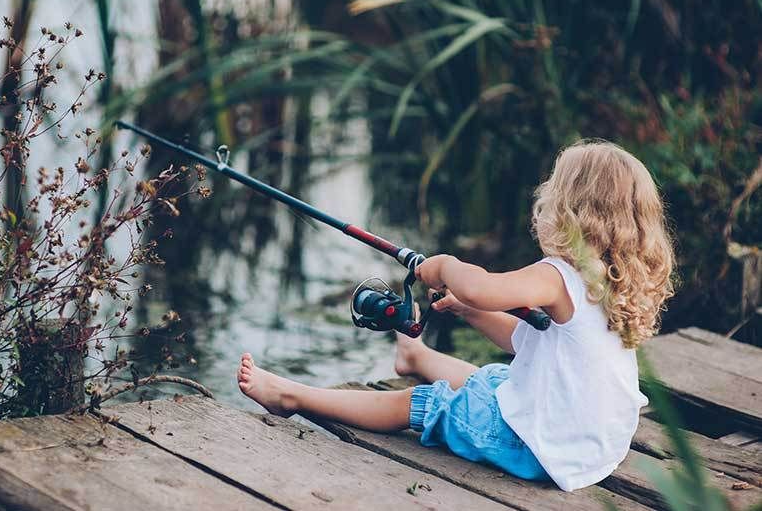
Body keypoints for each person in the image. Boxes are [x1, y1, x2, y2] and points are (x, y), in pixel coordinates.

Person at [236, 140, 675, 491]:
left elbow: (483, 287)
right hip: (592, 443)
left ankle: (291, 396)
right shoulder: (615, 281)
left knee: (425, 404)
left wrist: (446, 267)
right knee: (495, 382)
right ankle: (417, 358)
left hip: (543, 450)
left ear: (567, 209)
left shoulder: (559, 276)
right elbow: (528, 342)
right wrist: (471, 311)